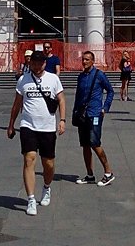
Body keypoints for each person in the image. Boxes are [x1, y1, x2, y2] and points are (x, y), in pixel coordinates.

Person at [7, 48, 65, 215]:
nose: (37, 66)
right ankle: (31, 199)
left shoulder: (53, 79)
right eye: (34, 62)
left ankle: (47, 187)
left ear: (44, 63)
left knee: (48, 163)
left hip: (47, 127)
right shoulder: (23, 80)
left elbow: (61, 100)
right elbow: (17, 104)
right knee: (29, 159)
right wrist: (11, 124)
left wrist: (62, 120)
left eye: (40, 63)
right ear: (29, 63)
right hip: (28, 125)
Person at [73, 51, 115, 186]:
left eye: (87, 60)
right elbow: (78, 96)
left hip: (95, 113)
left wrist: (105, 108)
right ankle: (89, 174)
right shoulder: (81, 77)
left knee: (95, 143)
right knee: (85, 145)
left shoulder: (99, 75)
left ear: (93, 61)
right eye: (83, 59)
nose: (84, 62)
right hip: (82, 115)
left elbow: (110, 90)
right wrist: (75, 111)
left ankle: (108, 173)